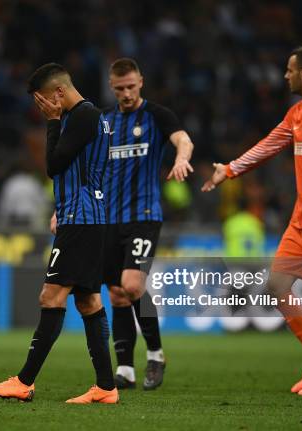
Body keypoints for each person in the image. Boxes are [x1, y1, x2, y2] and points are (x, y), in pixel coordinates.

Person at [202, 46, 302, 396]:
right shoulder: (296, 113)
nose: (285, 76)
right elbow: (268, 145)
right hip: (300, 216)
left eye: (289, 70)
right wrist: (229, 170)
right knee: (277, 286)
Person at [0, 63, 117, 404]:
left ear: (58, 93)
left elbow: (54, 165)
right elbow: (83, 171)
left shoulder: (83, 116)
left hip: (82, 221)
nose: (41, 108)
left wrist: (53, 122)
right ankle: (106, 387)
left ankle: (24, 381)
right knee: (88, 301)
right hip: (85, 216)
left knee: (50, 296)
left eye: (42, 101)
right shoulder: (93, 117)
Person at [97, 57, 194, 389]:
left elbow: (184, 140)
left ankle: (155, 354)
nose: (126, 93)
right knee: (117, 294)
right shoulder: (105, 122)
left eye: (131, 86)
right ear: (112, 86)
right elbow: (90, 169)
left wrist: (181, 159)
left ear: (141, 81)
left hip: (144, 216)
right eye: (120, 88)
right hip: (108, 219)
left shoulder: (157, 115)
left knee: (133, 285)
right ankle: (125, 368)